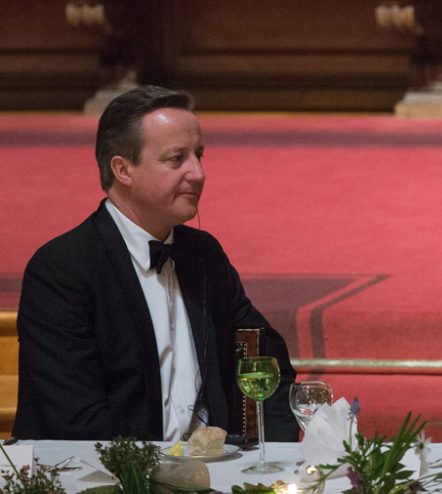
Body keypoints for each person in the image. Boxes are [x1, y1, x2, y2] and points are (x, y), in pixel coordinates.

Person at [13, 85, 298, 442]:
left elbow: (266, 360)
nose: (198, 173)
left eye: (199, 155)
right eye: (176, 158)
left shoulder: (203, 254)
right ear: (123, 170)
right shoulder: (62, 268)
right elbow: (75, 417)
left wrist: (274, 458)